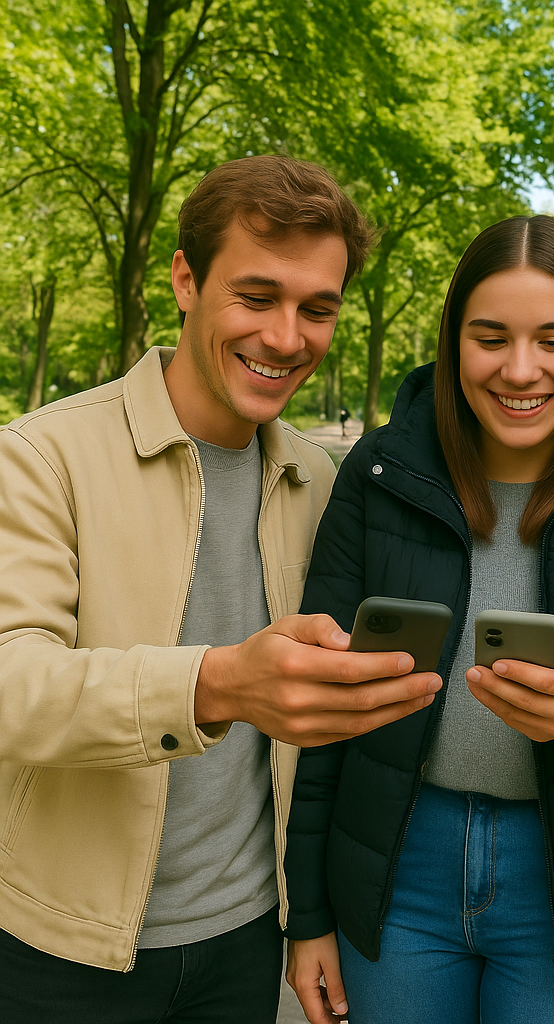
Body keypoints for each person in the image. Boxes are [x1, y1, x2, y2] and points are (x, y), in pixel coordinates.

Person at [0, 155, 445, 1024]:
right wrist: (214, 684)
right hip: (62, 947)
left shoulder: (319, 479)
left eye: (318, 309)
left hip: (247, 937)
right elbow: (12, 687)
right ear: (184, 280)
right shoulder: (41, 455)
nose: (287, 337)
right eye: (256, 296)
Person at [284, 214, 554, 1024]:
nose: (521, 369)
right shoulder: (377, 476)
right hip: (396, 871)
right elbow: (321, 713)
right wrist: (307, 914)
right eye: (491, 337)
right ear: (454, 342)